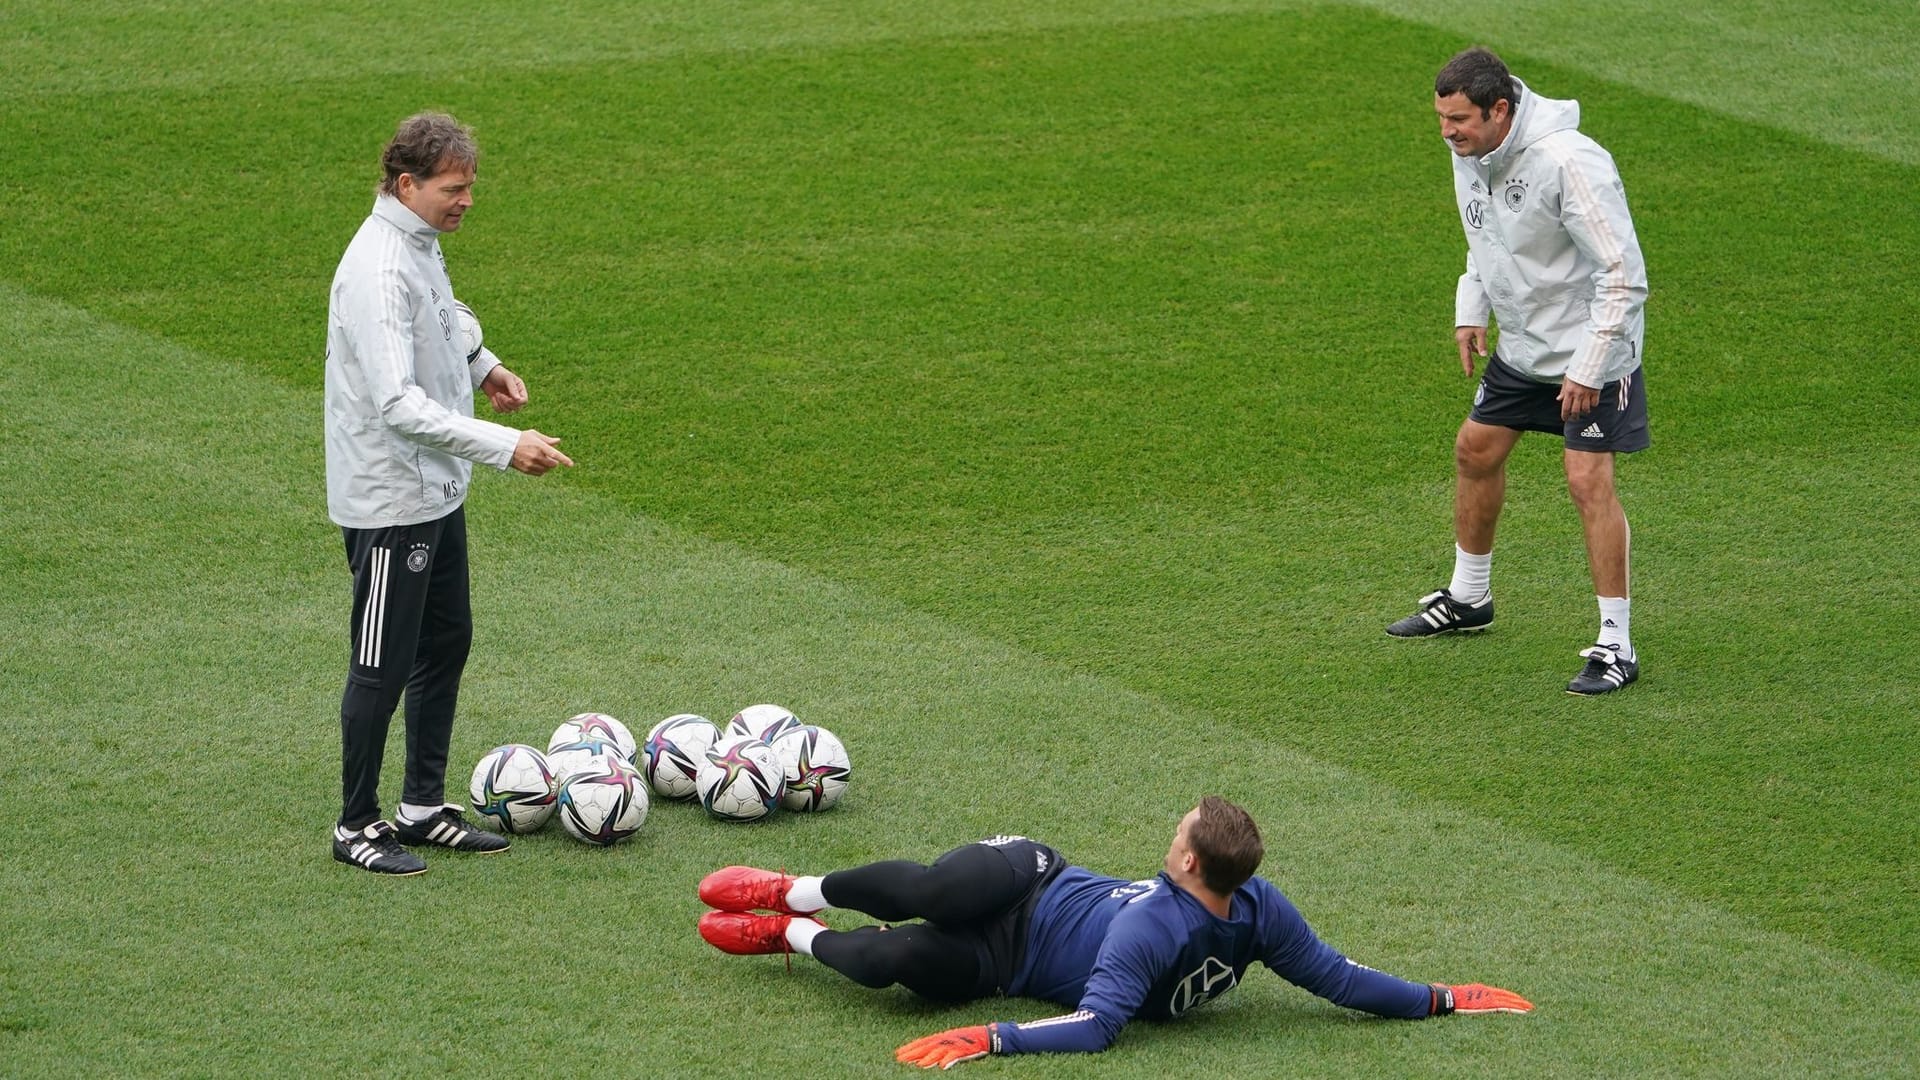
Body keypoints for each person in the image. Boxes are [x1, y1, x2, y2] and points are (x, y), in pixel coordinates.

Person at [695, 797, 1532, 1067]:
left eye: (1179, 836)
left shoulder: (1176, 926)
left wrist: (992, 1035)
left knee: (900, 958)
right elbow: (1341, 980)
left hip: (1003, 961)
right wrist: (1446, 998)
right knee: (940, 891)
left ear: (1198, 866)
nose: (1167, 839)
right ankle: (791, 886)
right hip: (1035, 877)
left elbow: (1096, 1028)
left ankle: (788, 936)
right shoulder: (1239, 902)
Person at [325, 111, 575, 875]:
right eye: (453, 189)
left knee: (444, 642)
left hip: (435, 490)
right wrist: (506, 448)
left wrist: (483, 365)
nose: (466, 201)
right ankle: (356, 825)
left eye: (470, 187)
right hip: (392, 498)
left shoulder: (418, 245)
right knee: (381, 663)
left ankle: (422, 808)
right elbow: (396, 404)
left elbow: (443, 318)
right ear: (408, 184)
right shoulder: (378, 269)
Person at [1388, 46, 1650, 696]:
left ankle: (1617, 645)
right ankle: (1469, 597)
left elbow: (1623, 275)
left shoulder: (1571, 162)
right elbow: (1487, 240)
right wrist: (1470, 308)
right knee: (1475, 450)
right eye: (1441, 119)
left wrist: (1589, 367)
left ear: (1500, 109)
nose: (1448, 132)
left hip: (1592, 350)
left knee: (1586, 481)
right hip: (1525, 349)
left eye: (1460, 120)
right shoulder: (1471, 156)